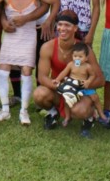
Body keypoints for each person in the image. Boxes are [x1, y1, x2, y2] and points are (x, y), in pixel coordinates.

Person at [0, 0, 59, 125]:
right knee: (3, 68)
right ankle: (5, 109)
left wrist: (49, 20)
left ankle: (24, 111)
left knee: (26, 70)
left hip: (28, 34)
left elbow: (54, 1)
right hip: (10, 35)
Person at [33, 10, 104, 138]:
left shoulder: (84, 49)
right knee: (39, 94)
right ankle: (53, 114)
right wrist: (62, 88)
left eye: (67, 25)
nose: (62, 28)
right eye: (60, 24)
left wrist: (78, 87)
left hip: (78, 92)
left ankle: (89, 117)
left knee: (80, 111)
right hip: (60, 90)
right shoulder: (48, 47)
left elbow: (100, 79)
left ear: (75, 28)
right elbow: (42, 77)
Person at [3, 0, 53, 108]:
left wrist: (33, 19)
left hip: (39, 25)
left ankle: (40, 97)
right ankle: (17, 95)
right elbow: (1, 2)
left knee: (40, 60)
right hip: (16, 25)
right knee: (14, 60)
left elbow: (46, 4)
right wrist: (3, 21)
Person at [52, 42, 108, 126]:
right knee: (67, 100)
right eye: (75, 56)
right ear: (72, 56)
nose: (77, 58)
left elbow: (93, 75)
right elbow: (64, 72)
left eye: (80, 57)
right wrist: (57, 79)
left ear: (86, 58)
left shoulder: (87, 66)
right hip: (72, 86)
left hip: (83, 86)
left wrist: (88, 81)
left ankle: (101, 114)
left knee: (95, 97)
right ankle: (67, 117)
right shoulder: (71, 64)